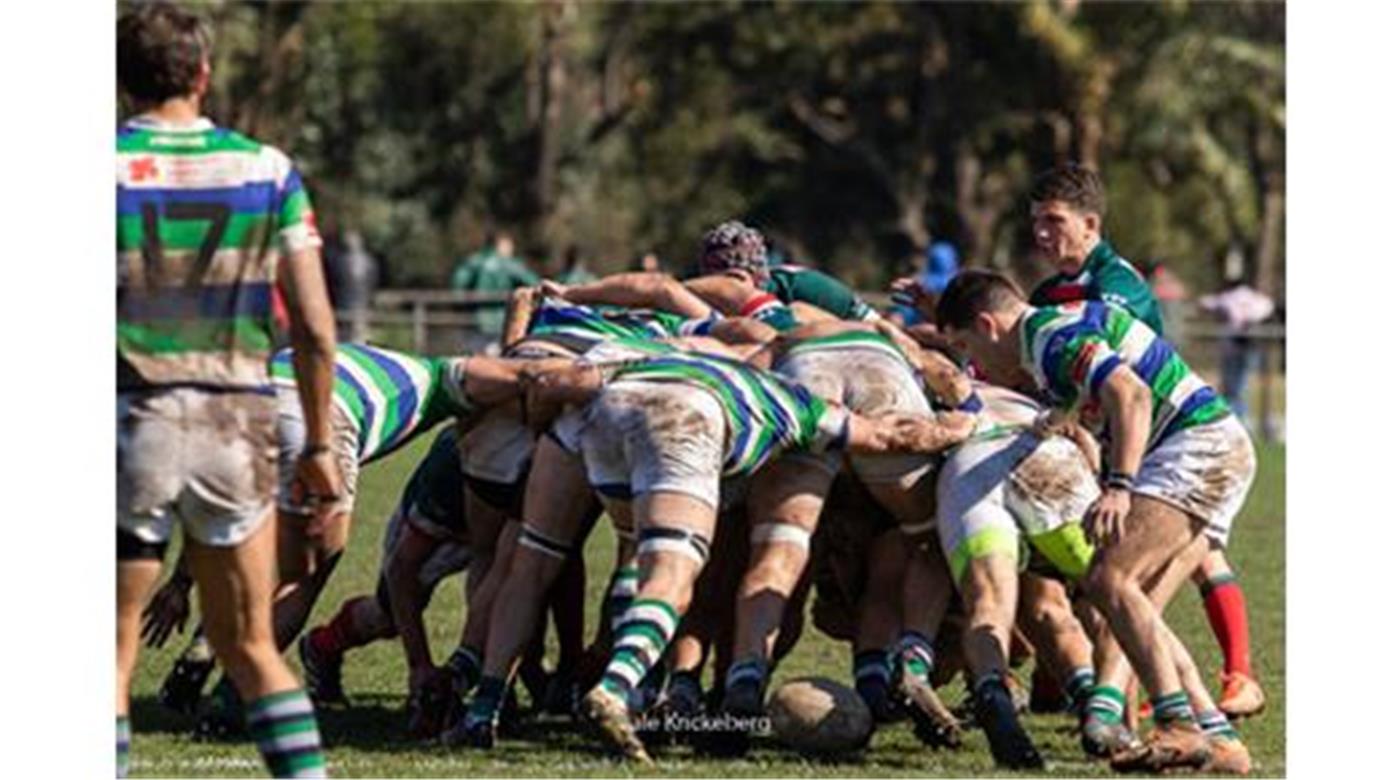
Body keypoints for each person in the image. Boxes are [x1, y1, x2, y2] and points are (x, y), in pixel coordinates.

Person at [116, 4, 339, 777]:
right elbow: (313, 326)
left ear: (121, 84)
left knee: (108, 664)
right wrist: (316, 444)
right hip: (235, 425)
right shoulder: (267, 170)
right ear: (203, 74)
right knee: (249, 646)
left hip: (129, 418)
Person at [934, 271, 1255, 773]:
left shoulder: (1049, 337)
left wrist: (1119, 487)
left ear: (987, 324)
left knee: (1111, 578)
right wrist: (1053, 420)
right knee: (1130, 593)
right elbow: (1084, 392)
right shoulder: (1049, 338)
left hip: (1197, 446)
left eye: (965, 346)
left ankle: (1178, 724)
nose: (972, 365)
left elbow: (1131, 395)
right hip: (1205, 445)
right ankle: (1219, 740)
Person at [1024, 164, 1265, 722]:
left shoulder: (1117, 282)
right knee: (1131, 583)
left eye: (1053, 220)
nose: (1041, 232)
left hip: (1168, 440)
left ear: (1090, 224)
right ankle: (1135, 708)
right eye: (1035, 221)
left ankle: (1233, 680)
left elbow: (1118, 376)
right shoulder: (1045, 293)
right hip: (1134, 443)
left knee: (1164, 569)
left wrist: (1118, 479)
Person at [1198, 275, 1275, 421]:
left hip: (1234, 346)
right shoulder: (1256, 300)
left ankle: (1236, 419)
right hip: (1251, 346)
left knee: (1233, 387)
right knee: (1241, 386)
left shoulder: (1229, 297)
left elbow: (1207, 302)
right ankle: (1239, 417)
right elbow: (1268, 306)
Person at [450, 232, 540, 351]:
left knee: (474, 356)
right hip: (502, 321)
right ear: (500, 244)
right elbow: (533, 283)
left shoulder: (473, 262)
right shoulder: (509, 264)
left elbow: (457, 286)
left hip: (474, 321)